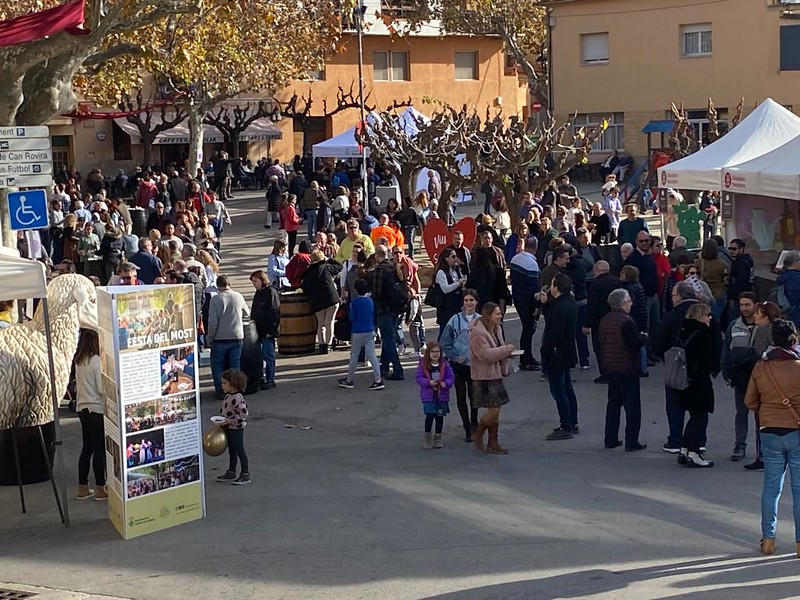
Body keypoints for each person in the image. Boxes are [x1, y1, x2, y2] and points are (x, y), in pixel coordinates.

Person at [744, 319, 800, 556]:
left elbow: (749, 401)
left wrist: (768, 408)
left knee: (771, 487)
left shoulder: (760, 367)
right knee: (798, 488)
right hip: (796, 431)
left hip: (768, 430)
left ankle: (768, 540)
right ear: (794, 340)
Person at [599, 288, 648, 450]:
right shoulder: (626, 321)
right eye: (628, 301)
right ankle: (631, 441)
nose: (631, 304)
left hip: (610, 367)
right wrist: (643, 338)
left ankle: (610, 438)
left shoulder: (606, 319)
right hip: (627, 368)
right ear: (621, 304)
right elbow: (633, 342)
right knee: (632, 407)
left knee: (613, 404)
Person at [675, 303, 719, 468]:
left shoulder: (684, 331)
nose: (710, 318)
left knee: (694, 416)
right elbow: (705, 361)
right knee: (699, 416)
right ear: (701, 316)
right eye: (707, 315)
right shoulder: (702, 335)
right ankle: (694, 452)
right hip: (698, 381)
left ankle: (685, 449)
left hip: (684, 380)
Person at [469, 302, 514, 454]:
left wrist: (507, 354)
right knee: (493, 411)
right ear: (488, 316)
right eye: (497, 313)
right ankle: (479, 434)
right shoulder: (478, 333)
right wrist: (505, 350)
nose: (500, 315)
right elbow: (484, 355)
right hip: (484, 377)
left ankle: (493, 442)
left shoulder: (497, 329)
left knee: (496, 410)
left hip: (494, 375)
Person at [539, 273, 580, 440]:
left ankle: (566, 425)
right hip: (566, 352)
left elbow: (555, 331)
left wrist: (545, 349)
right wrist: (546, 304)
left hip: (557, 354)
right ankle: (572, 422)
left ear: (556, 287)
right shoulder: (567, 303)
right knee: (567, 388)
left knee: (559, 390)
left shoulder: (561, 306)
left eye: (552, 285)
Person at [744, 301, 783, 471]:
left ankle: (763, 457)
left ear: (766, 317)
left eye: (758, 314)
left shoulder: (761, 331)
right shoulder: (781, 330)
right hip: (784, 382)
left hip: (766, 382)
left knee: (762, 420)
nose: (754, 316)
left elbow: (758, 357)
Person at [721, 292, 759, 463]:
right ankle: (740, 445)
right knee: (741, 413)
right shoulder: (734, 326)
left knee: (761, 416)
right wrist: (726, 373)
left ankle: (762, 449)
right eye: (742, 305)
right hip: (741, 379)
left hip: (761, 380)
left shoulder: (764, 326)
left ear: (755, 305)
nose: (744, 308)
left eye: (747, 305)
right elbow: (726, 352)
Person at [441, 289, 481, 442]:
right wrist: (455, 357)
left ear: (476, 302)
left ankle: (474, 421)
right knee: (461, 396)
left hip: (475, 365)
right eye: (466, 300)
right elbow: (445, 342)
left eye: (472, 300)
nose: (469, 303)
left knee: (474, 396)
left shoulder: (481, 320)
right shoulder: (455, 320)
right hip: (458, 365)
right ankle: (467, 428)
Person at [74, 329, 108, 501]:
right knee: (99, 449)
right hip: (96, 409)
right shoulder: (96, 361)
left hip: (82, 408)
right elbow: (101, 389)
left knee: (87, 448)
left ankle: (82, 487)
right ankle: (100, 488)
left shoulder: (79, 361)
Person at [207, 275, 250, 399]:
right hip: (236, 335)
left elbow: (213, 323)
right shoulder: (238, 296)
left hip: (220, 338)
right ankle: (236, 389)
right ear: (229, 284)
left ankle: (221, 390)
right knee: (235, 365)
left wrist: (210, 338)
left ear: (217, 286)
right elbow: (247, 314)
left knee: (218, 365)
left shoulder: (215, 300)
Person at [338, 279, 385, 391]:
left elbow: (352, 317)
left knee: (354, 356)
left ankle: (349, 380)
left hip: (357, 331)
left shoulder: (354, 302)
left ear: (355, 290)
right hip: (369, 330)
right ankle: (378, 380)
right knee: (372, 356)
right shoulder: (370, 301)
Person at [583, 260, 622, 384]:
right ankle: (615, 371)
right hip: (616, 318)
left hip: (600, 321)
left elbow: (592, 306)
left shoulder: (595, 285)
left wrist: (587, 323)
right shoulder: (616, 282)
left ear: (597, 270)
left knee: (600, 348)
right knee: (614, 346)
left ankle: (605, 374)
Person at [371, 245, 405, 380]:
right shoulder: (393, 268)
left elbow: (377, 293)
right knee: (388, 338)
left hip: (383, 309)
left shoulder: (379, 271)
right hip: (395, 308)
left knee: (388, 339)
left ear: (376, 255)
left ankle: (398, 369)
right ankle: (384, 367)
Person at [301, 250, 342, 354]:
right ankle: (328, 345)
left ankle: (322, 345)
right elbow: (339, 266)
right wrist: (328, 259)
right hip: (331, 297)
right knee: (330, 322)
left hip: (317, 300)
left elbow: (305, 289)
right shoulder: (326, 267)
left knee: (321, 324)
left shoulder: (308, 273)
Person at [510, 237, 541, 371]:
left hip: (517, 298)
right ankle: (525, 360)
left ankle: (528, 357)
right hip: (527, 302)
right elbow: (533, 289)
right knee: (528, 331)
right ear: (535, 248)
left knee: (526, 330)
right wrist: (537, 306)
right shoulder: (532, 264)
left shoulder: (515, 259)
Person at [215, 369, 251, 485]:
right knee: (232, 450)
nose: (222, 385)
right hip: (228, 427)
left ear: (233, 384)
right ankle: (231, 471)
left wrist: (229, 421)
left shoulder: (237, 398)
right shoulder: (228, 396)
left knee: (240, 450)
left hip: (236, 428)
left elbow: (243, 415)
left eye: (225, 383)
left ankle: (245, 473)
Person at [415, 342, 454, 449]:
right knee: (429, 416)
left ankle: (438, 438)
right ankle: (427, 437)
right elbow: (419, 378)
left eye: (437, 351)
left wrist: (446, 384)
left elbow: (451, 376)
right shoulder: (423, 364)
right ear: (428, 353)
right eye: (432, 351)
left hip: (441, 396)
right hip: (429, 396)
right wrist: (428, 383)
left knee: (440, 417)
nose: (435, 354)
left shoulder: (445, 364)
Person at [250, 270, 280, 391]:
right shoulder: (258, 293)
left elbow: (274, 312)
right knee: (259, 356)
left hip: (267, 330)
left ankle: (270, 379)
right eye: (253, 282)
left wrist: (271, 329)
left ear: (262, 280)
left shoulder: (271, 292)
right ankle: (262, 378)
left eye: (255, 281)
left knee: (269, 356)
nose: (254, 284)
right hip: (257, 330)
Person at [620, 265, 649, 377]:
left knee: (637, 343)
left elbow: (632, 304)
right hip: (641, 316)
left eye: (622, 273)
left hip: (635, 317)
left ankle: (642, 368)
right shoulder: (638, 285)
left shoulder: (629, 288)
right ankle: (643, 366)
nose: (620, 275)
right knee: (640, 341)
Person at [434, 248, 467, 338]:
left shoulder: (456, 270)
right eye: (453, 256)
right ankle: (439, 350)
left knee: (457, 331)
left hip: (457, 305)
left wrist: (463, 284)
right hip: (445, 307)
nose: (455, 258)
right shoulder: (441, 272)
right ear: (446, 258)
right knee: (445, 332)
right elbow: (445, 289)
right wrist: (458, 283)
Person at [695, 238, 728, 322]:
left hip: (705, 294)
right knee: (716, 318)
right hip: (719, 293)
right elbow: (726, 279)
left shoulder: (698, 263)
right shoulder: (722, 263)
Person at [727, 239, 754, 319]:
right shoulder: (746, 260)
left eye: (734, 249)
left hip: (739, 297)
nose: (731, 251)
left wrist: (732, 296)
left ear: (741, 249)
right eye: (730, 248)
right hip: (746, 295)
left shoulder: (741, 263)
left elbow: (740, 283)